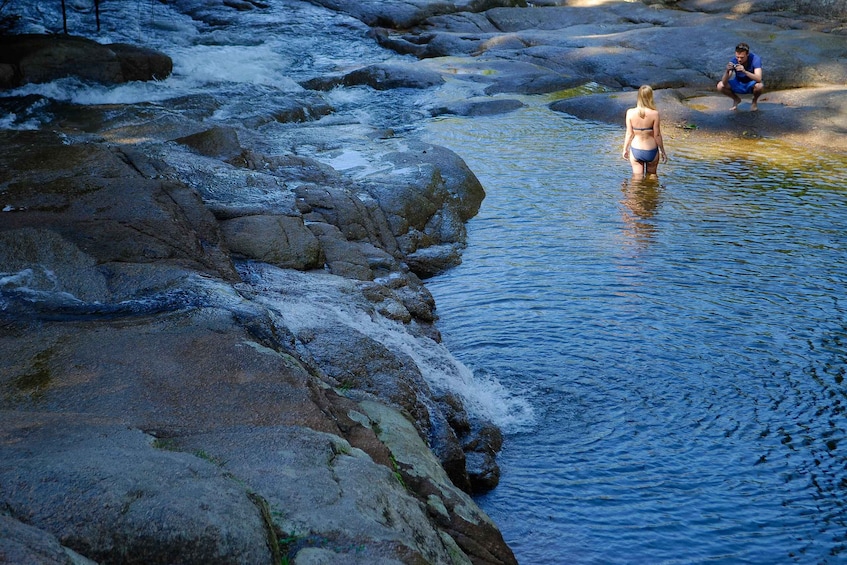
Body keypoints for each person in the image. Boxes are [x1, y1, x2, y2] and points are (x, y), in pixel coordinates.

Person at [622, 85, 667, 178]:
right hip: (651, 150)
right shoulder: (655, 114)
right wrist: (663, 151)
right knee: (652, 177)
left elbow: (629, 134)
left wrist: (625, 149)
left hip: (636, 149)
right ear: (650, 97)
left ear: (639, 96)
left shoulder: (630, 112)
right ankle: (651, 192)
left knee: (636, 180)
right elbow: (657, 135)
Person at [717, 42, 763, 111]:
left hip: (751, 83)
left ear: (747, 54)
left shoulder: (755, 59)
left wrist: (745, 72)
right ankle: (736, 99)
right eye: (737, 57)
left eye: (742, 57)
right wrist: (727, 71)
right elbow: (724, 82)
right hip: (738, 83)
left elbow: (759, 78)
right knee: (720, 86)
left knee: (760, 86)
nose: (739, 60)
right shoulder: (733, 61)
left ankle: (754, 102)